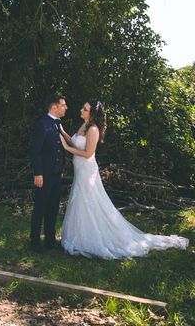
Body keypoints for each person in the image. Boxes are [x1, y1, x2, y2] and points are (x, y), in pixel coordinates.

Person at [59, 101, 189, 259]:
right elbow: (75, 144)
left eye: (85, 109)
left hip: (87, 171)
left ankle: (93, 237)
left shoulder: (93, 129)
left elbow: (87, 153)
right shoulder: (84, 125)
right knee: (81, 200)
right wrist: (63, 133)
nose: (81, 109)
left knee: (89, 201)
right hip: (79, 170)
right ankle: (79, 236)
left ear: (92, 113)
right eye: (83, 107)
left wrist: (66, 148)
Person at [29, 94, 68, 251]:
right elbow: (35, 151)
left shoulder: (58, 124)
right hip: (43, 175)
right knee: (40, 207)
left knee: (53, 207)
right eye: (63, 105)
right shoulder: (42, 124)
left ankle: (50, 239)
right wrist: (38, 173)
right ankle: (35, 241)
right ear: (54, 107)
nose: (65, 108)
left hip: (56, 174)